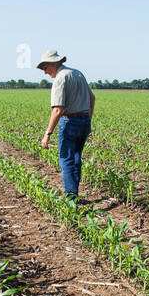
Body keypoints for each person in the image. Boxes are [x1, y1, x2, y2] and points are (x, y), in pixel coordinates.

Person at [37, 50, 95, 198]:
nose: (45, 72)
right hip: (84, 120)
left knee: (66, 160)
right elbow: (92, 98)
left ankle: (71, 197)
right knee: (76, 159)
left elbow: (57, 110)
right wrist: (88, 122)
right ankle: (74, 192)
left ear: (53, 63)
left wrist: (47, 135)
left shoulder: (61, 78)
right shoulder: (77, 73)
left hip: (70, 122)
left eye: (45, 68)